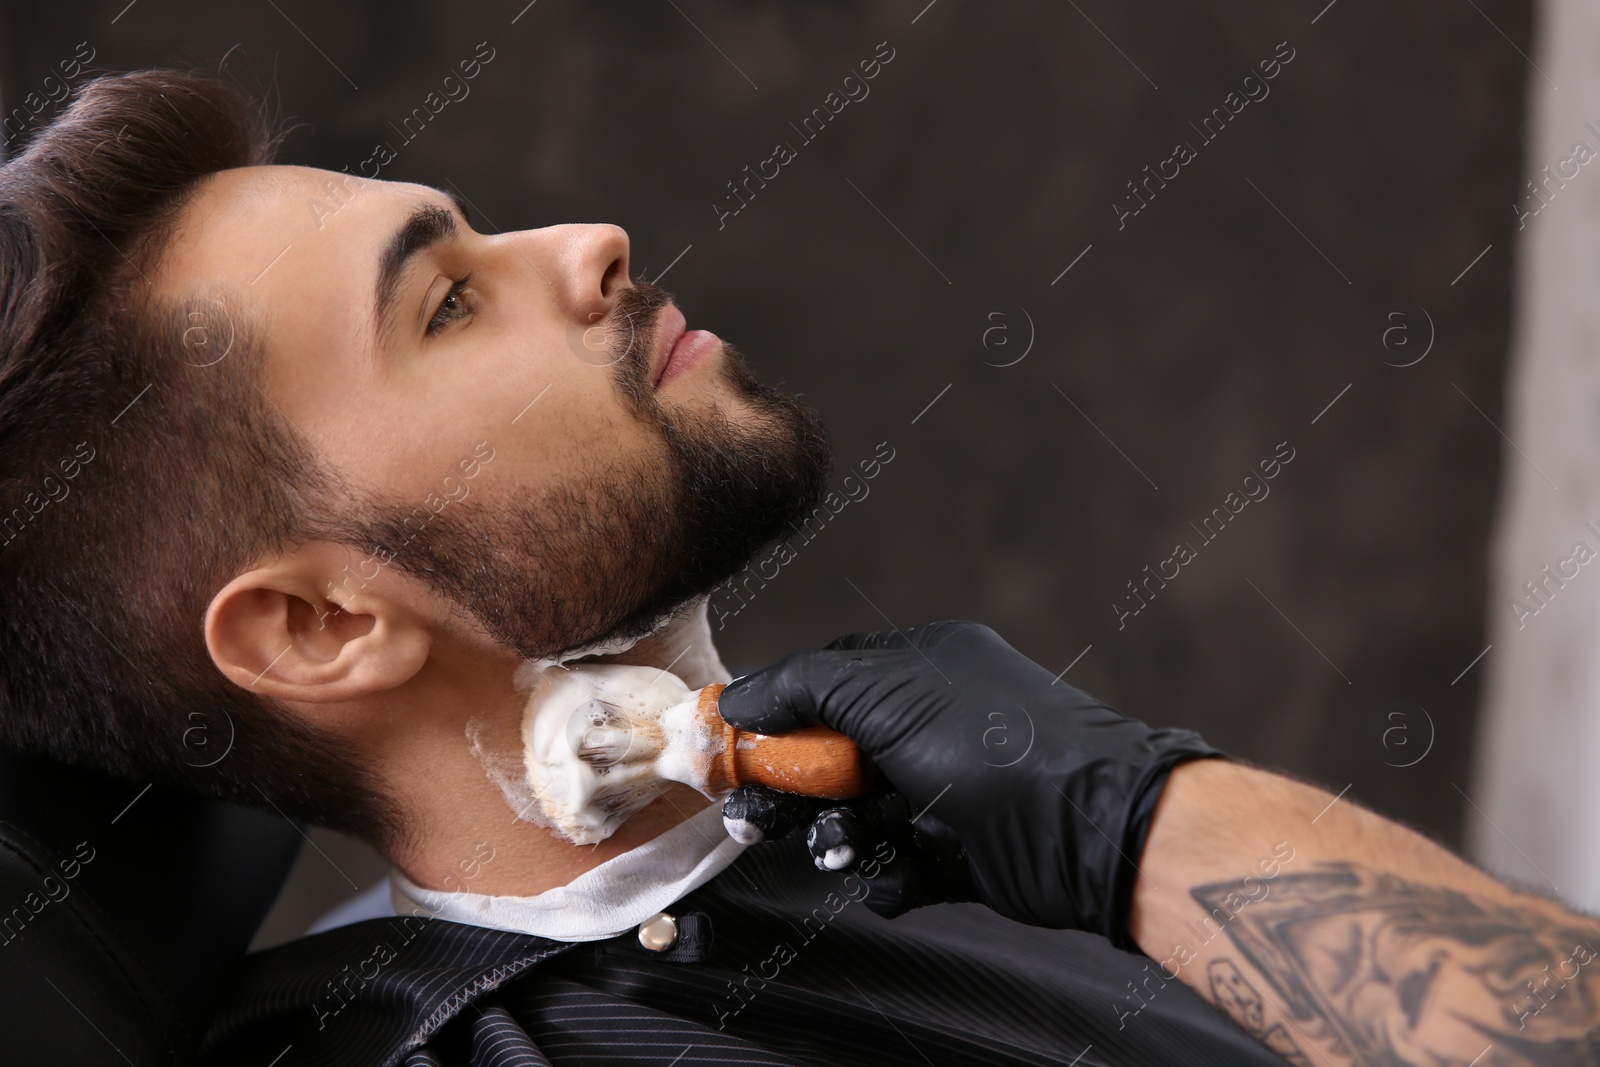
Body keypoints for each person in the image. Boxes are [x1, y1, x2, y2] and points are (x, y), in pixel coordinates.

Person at [0, 69, 1592, 1066]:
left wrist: (1102, 816)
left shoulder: (874, 826)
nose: (587, 244)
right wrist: (1140, 824)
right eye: (448, 306)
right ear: (321, 623)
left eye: (477, 236)